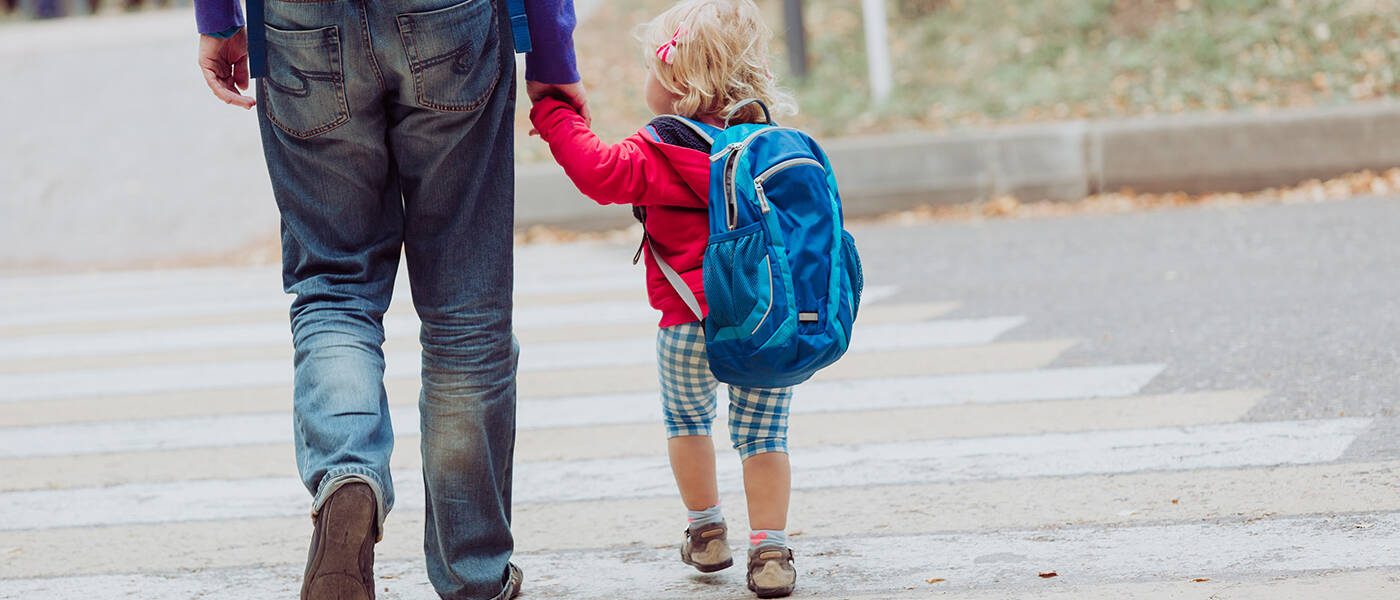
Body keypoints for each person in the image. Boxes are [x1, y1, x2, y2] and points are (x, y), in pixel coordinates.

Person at [193, 0, 587, 598]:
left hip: (300, 22)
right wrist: (551, 48)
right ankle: (473, 573)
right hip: (447, 18)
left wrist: (218, 18)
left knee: (334, 283)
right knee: (465, 304)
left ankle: (348, 475)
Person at [527, 0, 800, 596]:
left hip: (686, 323)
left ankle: (707, 534)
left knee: (687, 421)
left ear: (677, 84)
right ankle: (771, 550)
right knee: (764, 437)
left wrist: (554, 114)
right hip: (765, 322)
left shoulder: (663, 149)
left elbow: (599, 172)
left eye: (651, 68)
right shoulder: (769, 146)